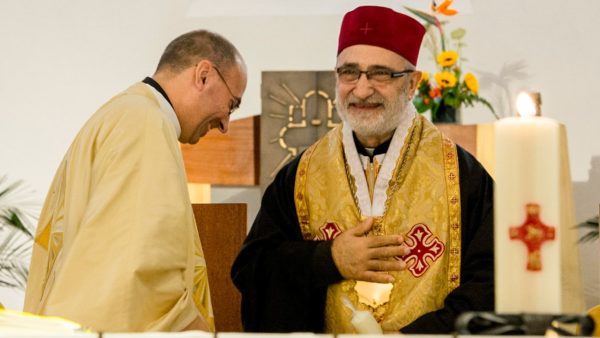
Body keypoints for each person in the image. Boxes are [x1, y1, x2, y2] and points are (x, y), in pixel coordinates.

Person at [231, 6, 493, 334]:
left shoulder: (463, 177)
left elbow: (491, 281)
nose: (362, 89)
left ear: (412, 84)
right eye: (349, 72)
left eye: (380, 73)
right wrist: (328, 259)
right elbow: (254, 270)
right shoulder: (300, 176)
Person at [24, 30, 247, 332]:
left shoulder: (121, 113)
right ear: (204, 75)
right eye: (232, 105)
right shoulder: (145, 125)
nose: (225, 125)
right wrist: (196, 329)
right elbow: (140, 272)